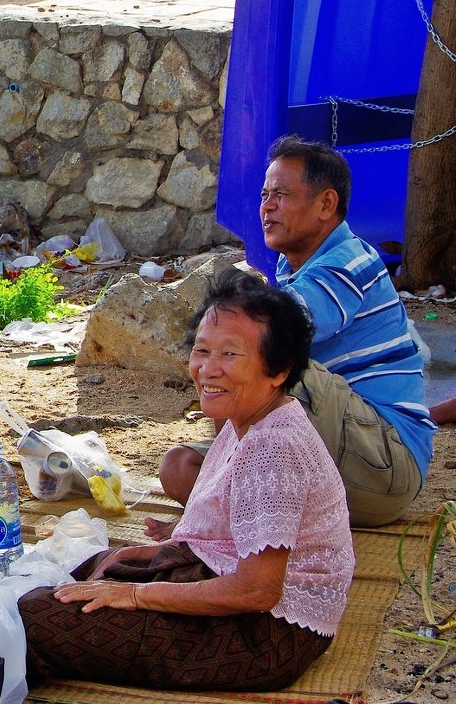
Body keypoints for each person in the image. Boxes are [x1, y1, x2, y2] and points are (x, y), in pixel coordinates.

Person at [19, 268, 354, 692]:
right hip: (249, 604)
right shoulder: (248, 419)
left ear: (279, 369)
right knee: (92, 569)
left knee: (37, 617)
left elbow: (257, 592)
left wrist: (136, 596)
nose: (208, 370)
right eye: (202, 351)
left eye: (230, 355)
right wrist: (165, 549)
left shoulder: (275, 447)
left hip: (267, 636)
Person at [160, 135, 436, 528]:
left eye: (282, 195)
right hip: (337, 458)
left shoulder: (349, 260)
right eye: (264, 195)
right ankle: (247, 516)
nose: (267, 207)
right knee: (179, 467)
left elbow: (268, 335)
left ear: (326, 204)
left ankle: (238, 521)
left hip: (384, 465)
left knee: (254, 359)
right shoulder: (293, 269)